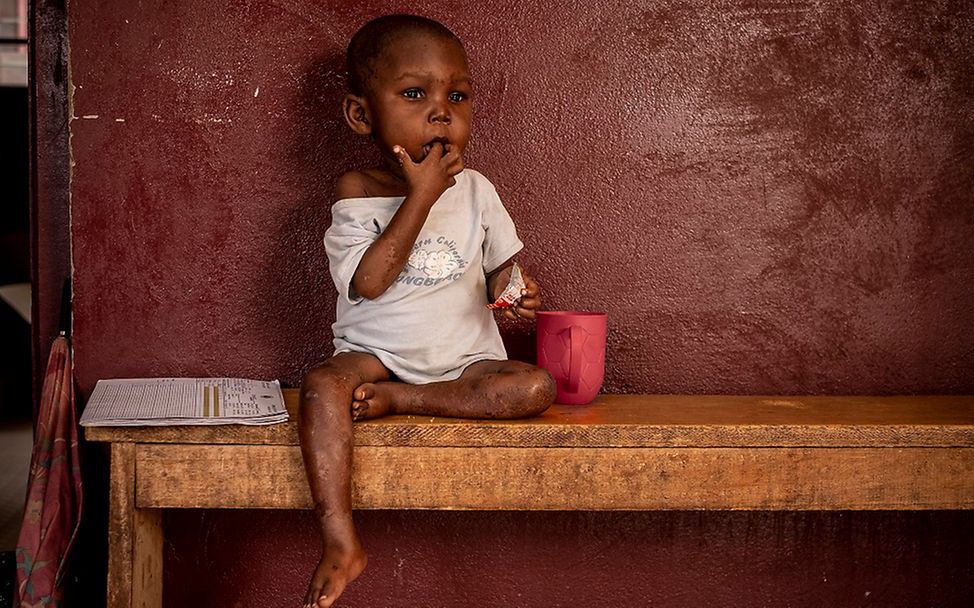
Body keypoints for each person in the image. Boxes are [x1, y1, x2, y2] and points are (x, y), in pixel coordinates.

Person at [298, 14, 556, 608]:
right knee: (322, 385)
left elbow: (499, 268)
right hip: (375, 358)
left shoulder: (479, 191)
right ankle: (340, 542)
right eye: (415, 94)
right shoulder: (357, 191)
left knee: (534, 387)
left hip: (466, 363)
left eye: (456, 95)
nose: (441, 112)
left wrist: (515, 288)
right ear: (362, 115)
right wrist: (421, 195)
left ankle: (405, 402)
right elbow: (369, 281)